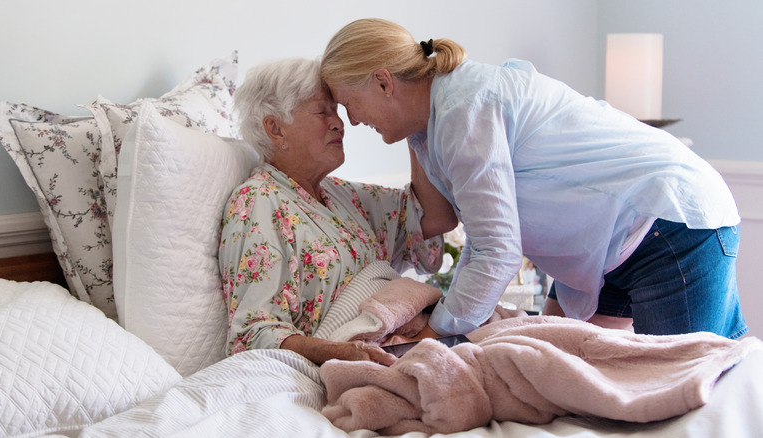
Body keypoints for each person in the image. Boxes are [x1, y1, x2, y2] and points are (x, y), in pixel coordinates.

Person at [320, 18, 747, 339]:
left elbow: (497, 251)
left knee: (681, 389)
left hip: (665, 222)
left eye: (349, 104)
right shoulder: (431, 128)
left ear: (382, 82)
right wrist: (448, 318)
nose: (352, 121)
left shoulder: (464, 110)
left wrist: (439, 329)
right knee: (562, 367)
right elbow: (474, 233)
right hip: (611, 248)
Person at [218, 57, 456, 366]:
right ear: (275, 129)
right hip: (367, 357)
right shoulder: (258, 201)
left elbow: (432, 217)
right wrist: (348, 354)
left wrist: (413, 123)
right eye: (322, 111)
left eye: (337, 111)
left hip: (414, 337)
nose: (339, 123)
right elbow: (253, 335)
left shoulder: (343, 195)